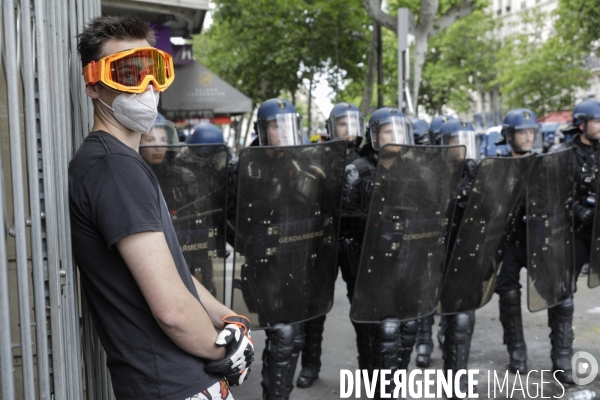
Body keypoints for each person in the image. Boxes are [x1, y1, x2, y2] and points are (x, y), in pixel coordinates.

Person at [70, 16, 253, 400]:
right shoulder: (114, 167)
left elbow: (172, 272)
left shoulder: (119, 161)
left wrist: (223, 314)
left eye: (154, 70)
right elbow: (171, 310)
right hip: (172, 384)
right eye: (127, 73)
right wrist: (226, 352)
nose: (147, 86)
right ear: (93, 83)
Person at [343, 107, 417, 399]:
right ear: (374, 136)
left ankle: (394, 387)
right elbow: (343, 223)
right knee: (381, 333)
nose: (395, 136)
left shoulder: (414, 171)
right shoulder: (357, 171)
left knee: (408, 328)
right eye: (389, 130)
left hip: (407, 264)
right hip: (368, 265)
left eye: (399, 129)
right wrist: (374, 221)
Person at [295, 102, 366, 389]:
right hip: (322, 239)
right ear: (331, 127)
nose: (347, 128)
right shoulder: (319, 156)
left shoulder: (367, 159)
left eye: (352, 122)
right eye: (341, 123)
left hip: (356, 241)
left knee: (361, 307)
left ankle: (369, 367)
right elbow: (303, 199)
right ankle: (310, 366)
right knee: (315, 307)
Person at [437, 119, 482, 399]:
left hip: (466, 254)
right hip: (436, 256)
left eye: (466, 139)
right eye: (455, 140)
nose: (461, 146)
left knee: (464, 318)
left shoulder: (476, 171)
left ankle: (457, 379)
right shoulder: (431, 172)